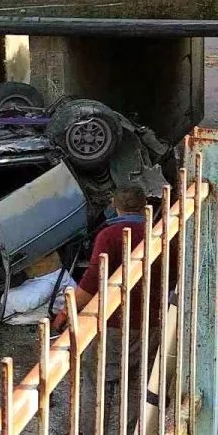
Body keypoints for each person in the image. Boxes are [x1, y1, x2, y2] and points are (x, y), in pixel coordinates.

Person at [54, 186, 162, 435]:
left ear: (115, 205)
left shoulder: (111, 235)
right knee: (137, 385)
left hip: (114, 324)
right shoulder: (159, 233)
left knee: (98, 385)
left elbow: (92, 282)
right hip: (150, 324)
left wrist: (65, 315)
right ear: (144, 205)